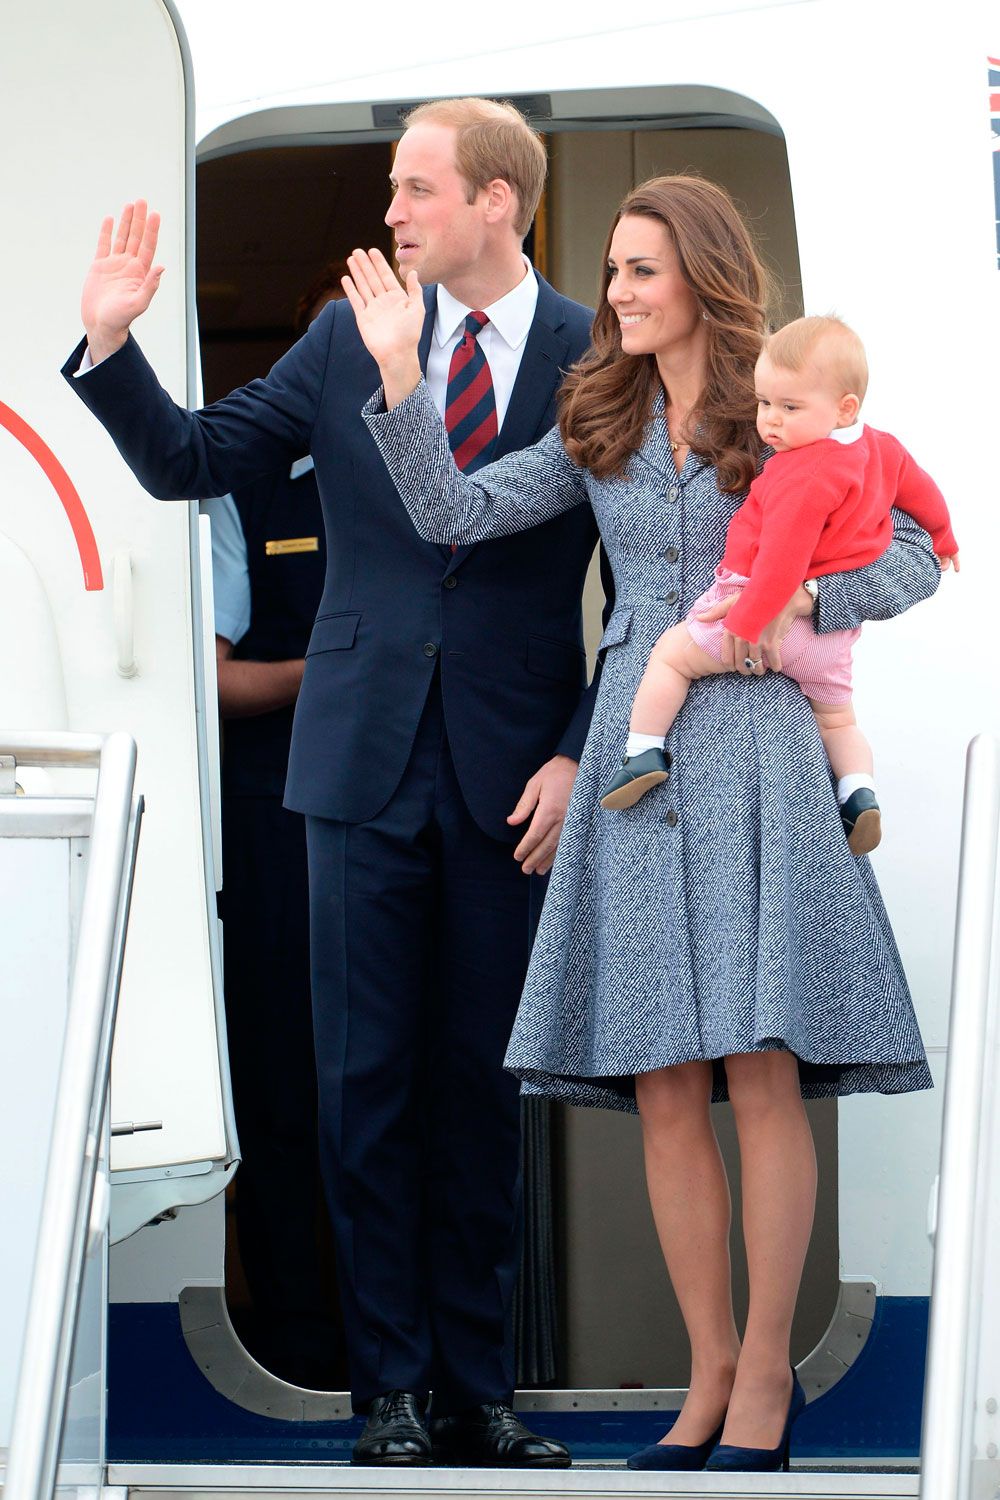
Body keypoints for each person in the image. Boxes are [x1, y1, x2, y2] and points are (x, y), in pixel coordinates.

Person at [342, 173, 938, 1474]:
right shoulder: (598, 411)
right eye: (612, 269)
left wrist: (797, 621)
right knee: (667, 1082)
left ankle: (771, 1374)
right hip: (638, 755)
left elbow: (910, 554)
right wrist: (398, 384)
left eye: (642, 270)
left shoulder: (783, 410)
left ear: (704, 276)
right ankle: (709, 1372)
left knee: (759, 1072)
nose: (616, 293)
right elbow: (459, 512)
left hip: (760, 750)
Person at [63, 98, 602, 1468]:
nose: (392, 213)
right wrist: (113, 343)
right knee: (363, 1085)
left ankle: (485, 1388)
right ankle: (397, 1392)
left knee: (485, 1089)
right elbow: (190, 459)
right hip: (355, 762)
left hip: (511, 777)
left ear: (498, 204)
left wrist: (574, 748)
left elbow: (649, 590)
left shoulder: (596, 361)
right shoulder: (339, 336)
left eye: (416, 189)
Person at [598, 315, 958, 857]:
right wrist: (946, 537)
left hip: (761, 615)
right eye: (765, 404)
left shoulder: (800, 472)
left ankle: (645, 750)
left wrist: (749, 620)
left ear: (845, 407)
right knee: (838, 717)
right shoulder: (881, 448)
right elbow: (922, 492)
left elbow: (783, 562)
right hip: (832, 643)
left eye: (789, 408)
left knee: (671, 656)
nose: (771, 422)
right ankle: (859, 791)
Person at [204, 264, 347, 1390]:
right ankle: (303, 1355)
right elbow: (211, 685)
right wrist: (346, 671)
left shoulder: (461, 478)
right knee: (285, 1090)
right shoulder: (240, 492)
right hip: (275, 825)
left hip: (418, 820)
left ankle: (423, 1361)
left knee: (412, 1089)